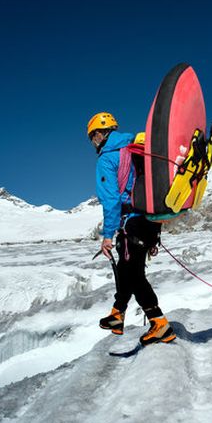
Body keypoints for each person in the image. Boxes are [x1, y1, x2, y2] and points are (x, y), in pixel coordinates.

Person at [87, 112, 176, 346]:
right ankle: (118, 314)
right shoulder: (137, 148)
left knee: (134, 275)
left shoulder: (107, 158)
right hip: (149, 221)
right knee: (128, 270)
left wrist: (108, 235)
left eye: (92, 137)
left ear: (99, 133)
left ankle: (159, 324)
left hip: (131, 223)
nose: (93, 142)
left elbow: (111, 200)